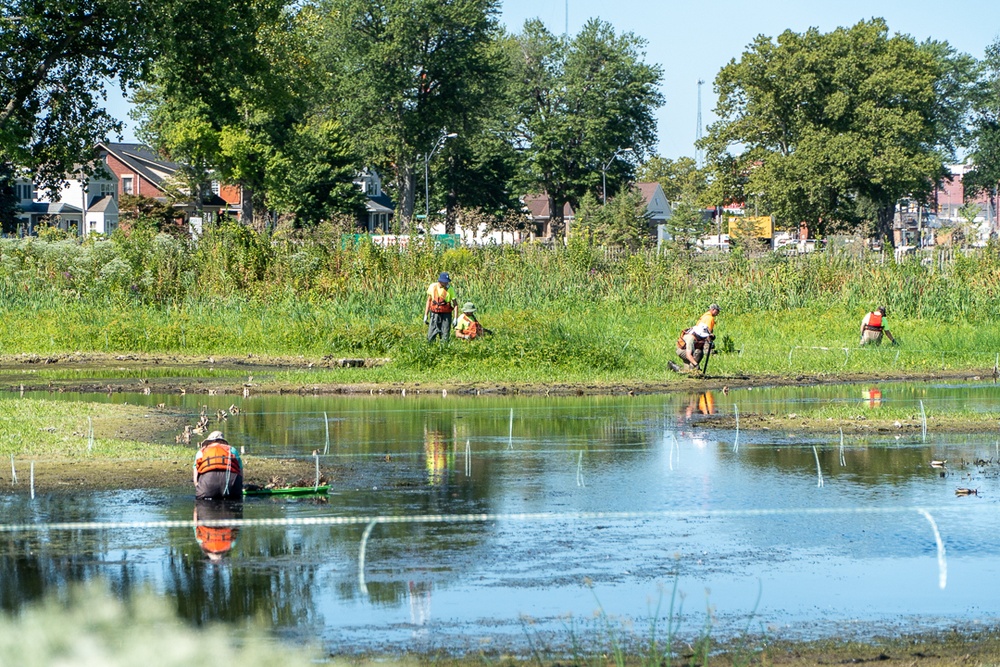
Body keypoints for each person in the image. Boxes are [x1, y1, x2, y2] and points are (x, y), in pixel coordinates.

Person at [193, 430, 243, 500]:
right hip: (231, 486)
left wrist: (200, 488)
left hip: (207, 487)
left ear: (209, 442)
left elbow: (196, 479)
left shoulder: (201, 452)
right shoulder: (232, 450)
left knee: (202, 504)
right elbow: (240, 473)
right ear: (223, 441)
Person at [424, 272, 456, 342]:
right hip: (434, 314)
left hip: (446, 315)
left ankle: (444, 349)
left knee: (445, 334)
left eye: (447, 282)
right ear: (440, 281)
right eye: (445, 282)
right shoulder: (432, 287)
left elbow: (455, 304)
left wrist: (455, 318)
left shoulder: (450, 289)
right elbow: (428, 301)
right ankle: (431, 348)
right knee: (431, 335)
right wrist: (426, 315)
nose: (447, 283)